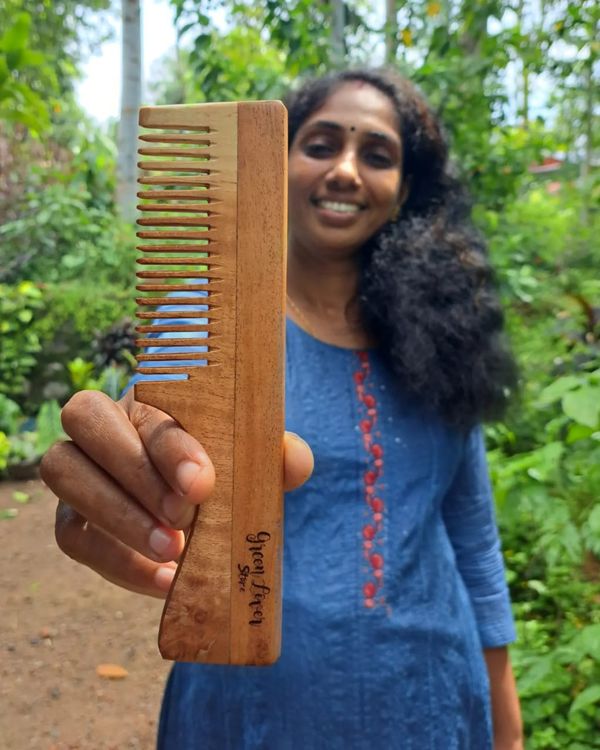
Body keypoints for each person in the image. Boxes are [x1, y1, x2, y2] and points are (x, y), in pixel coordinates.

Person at [41, 68, 524, 749]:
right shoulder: (198, 320)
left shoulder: (447, 340)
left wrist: (507, 728)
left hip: (431, 706)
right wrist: (128, 479)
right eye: (322, 144)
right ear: (279, 160)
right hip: (253, 714)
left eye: (377, 154)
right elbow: (148, 442)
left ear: (405, 189)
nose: (347, 171)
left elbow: (473, 540)